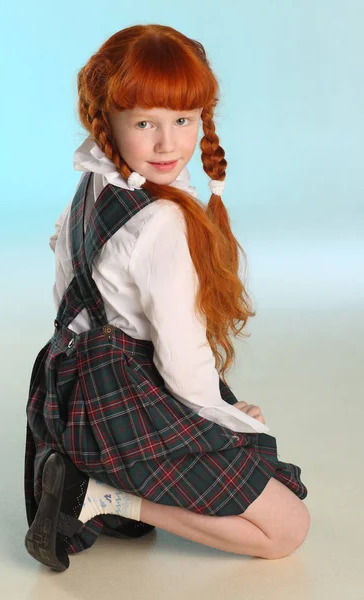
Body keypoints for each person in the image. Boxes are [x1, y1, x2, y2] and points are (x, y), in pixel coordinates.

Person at [24, 24, 309, 572]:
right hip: (123, 404)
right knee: (287, 529)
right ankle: (98, 496)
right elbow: (179, 357)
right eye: (144, 122)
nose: (168, 143)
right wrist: (222, 418)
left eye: (183, 120)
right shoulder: (161, 220)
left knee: (249, 464)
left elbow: (68, 299)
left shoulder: (95, 185)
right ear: (107, 121)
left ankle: (99, 481)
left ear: (203, 117)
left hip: (73, 394)